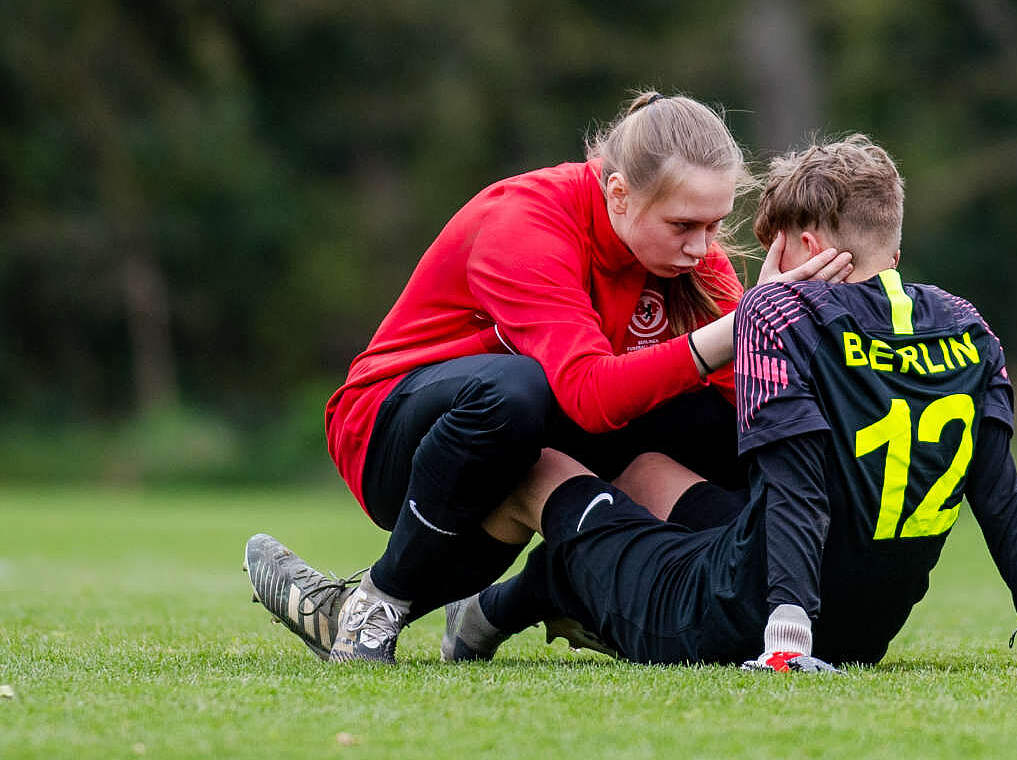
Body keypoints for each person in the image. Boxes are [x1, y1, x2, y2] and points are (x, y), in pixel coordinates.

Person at [445, 134, 1017, 672]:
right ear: (890, 247)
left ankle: (478, 617)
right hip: (865, 629)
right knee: (643, 472)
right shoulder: (968, 324)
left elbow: (795, 486)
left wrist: (785, 644)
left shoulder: (777, 317)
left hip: (741, 617)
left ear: (799, 246)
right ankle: (513, 606)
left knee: (544, 470)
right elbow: (1000, 497)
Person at [242, 91, 853, 664]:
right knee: (515, 393)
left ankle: (547, 594)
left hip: (535, 432)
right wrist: (738, 328)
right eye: (683, 226)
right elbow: (587, 395)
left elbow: (742, 403)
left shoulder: (686, 257)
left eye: (715, 226)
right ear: (617, 193)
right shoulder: (526, 222)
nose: (703, 246)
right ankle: (375, 604)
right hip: (394, 433)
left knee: (732, 422)